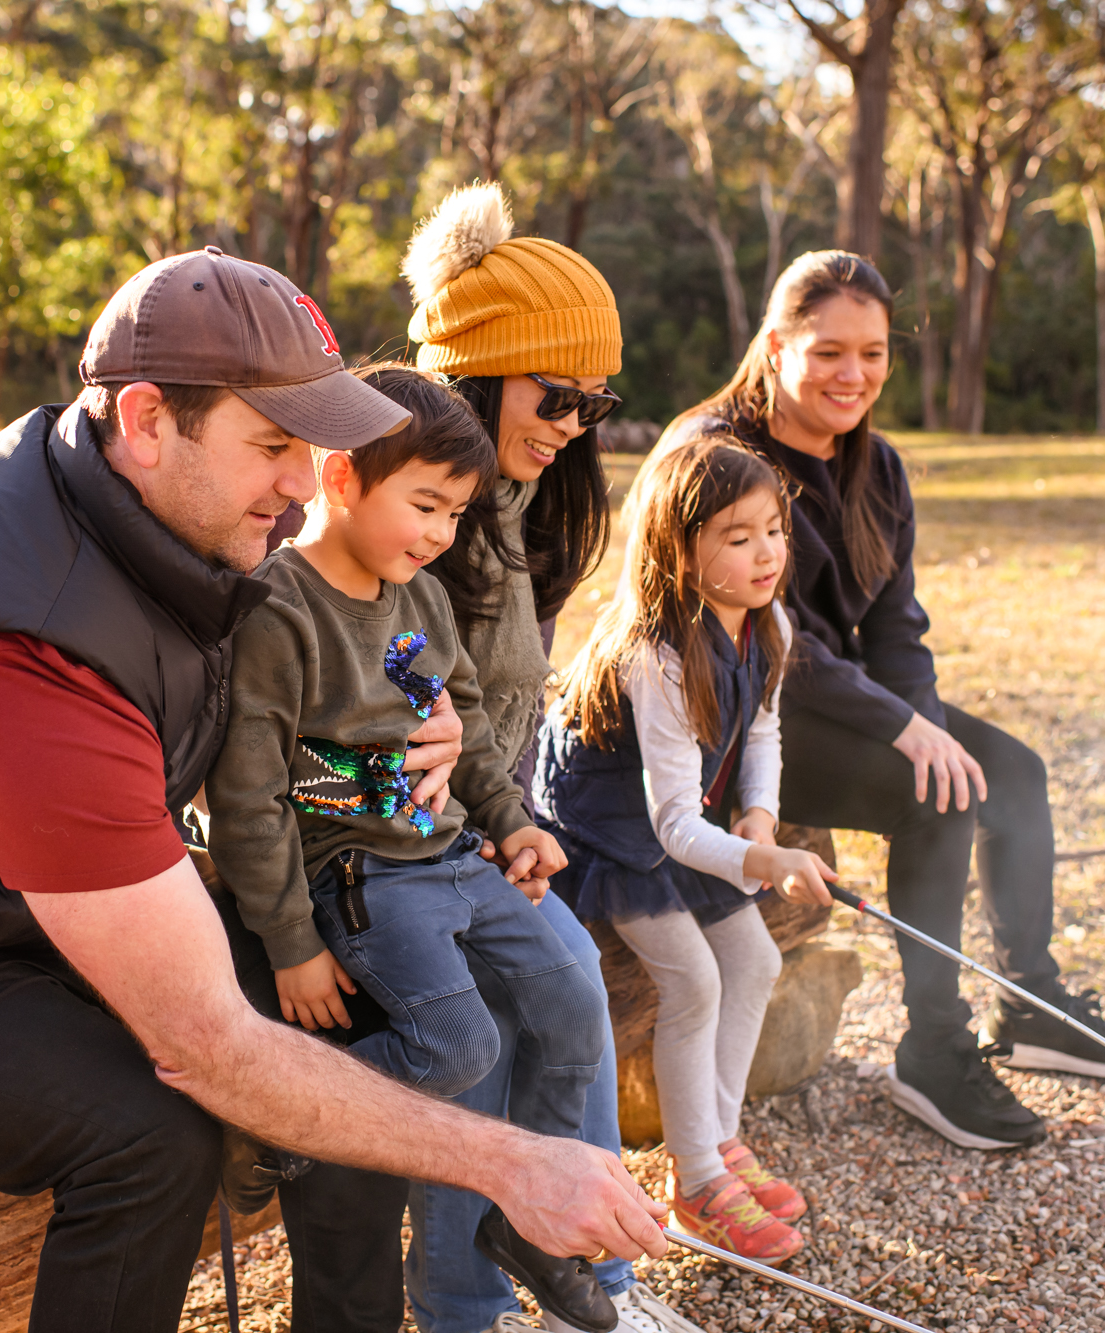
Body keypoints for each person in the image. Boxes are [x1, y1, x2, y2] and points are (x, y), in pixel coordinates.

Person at [0, 247, 667, 1333]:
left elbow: (269, 741)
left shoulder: (166, 503)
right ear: (149, 419)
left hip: (29, 889)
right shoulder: (13, 652)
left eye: (309, 448)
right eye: (273, 444)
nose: (301, 484)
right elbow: (203, 1041)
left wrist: (413, 737)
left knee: (349, 1038)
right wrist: (513, 1163)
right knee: (151, 1138)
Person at [654, 250, 1105, 1153]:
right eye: (828, 352)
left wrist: (924, 721)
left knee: (1009, 772)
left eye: (873, 353)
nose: (853, 374)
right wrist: (902, 729)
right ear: (776, 345)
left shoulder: (877, 466)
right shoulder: (715, 453)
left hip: (831, 702)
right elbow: (779, 639)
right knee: (934, 796)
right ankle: (933, 1048)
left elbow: (895, 629)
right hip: (729, 718)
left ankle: (1032, 1003)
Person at [208, 364, 616, 1331]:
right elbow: (252, 798)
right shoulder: (279, 611)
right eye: (425, 504)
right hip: (365, 879)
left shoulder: (421, 600)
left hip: (458, 857)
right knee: (460, 1045)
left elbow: (460, 726)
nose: (439, 532)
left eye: (455, 512)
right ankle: (286, 1127)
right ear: (341, 478)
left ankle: (530, 1222)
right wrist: (292, 942)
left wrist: (511, 820)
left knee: (574, 1001)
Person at [398, 183, 702, 1333]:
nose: (578, 423)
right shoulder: (413, 512)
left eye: (597, 400)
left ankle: (589, 1276)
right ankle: (471, 1305)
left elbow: (506, 714)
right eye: (556, 394)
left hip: (485, 831)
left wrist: (514, 826)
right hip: (392, 848)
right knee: (495, 1021)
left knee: (556, 989)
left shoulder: (521, 502)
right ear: (473, 373)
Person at [535, 437, 836, 1261]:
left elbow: (763, 731)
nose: (767, 553)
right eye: (739, 537)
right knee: (694, 979)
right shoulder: (659, 657)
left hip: (683, 817)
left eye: (774, 529)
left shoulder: (767, 619)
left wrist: (761, 821)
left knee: (756, 959)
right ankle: (696, 1181)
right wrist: (763, 864)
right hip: (610, 834)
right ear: (680, 552)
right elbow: (668, 828)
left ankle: (717, 1142)